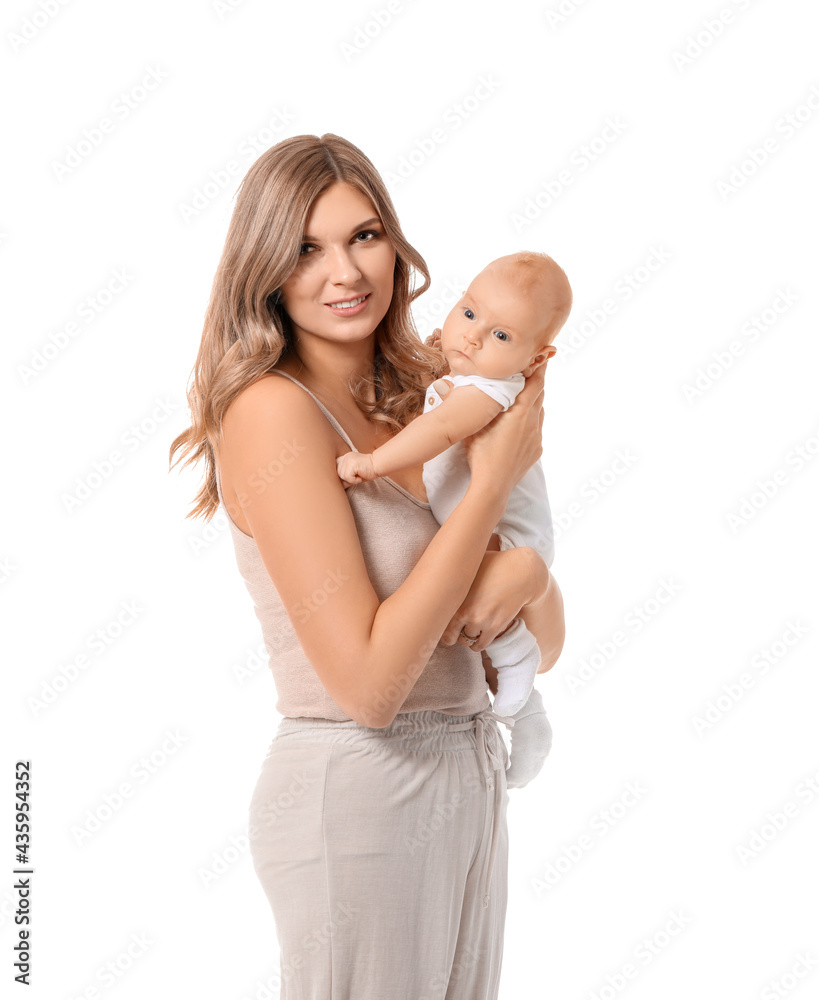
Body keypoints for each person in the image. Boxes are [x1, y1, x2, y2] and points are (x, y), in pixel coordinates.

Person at [168, 133, 565, 999]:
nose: (344, 272)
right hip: (360, 789)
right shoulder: (274, 413)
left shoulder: (427, 396)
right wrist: (493, 482)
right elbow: (370, 687)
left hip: (468, 769)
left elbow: (544, 640)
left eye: (365, 235)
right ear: (264, 267)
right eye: (307, 248)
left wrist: (527, 576)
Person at [336, 250, 572, 718]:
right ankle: (527, 722)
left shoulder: (493, 390)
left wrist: (374, 462)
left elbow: (439, 431)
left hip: (509, 539)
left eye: (500, 335)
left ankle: (516, 657)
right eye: (468, 312)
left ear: (537, 358)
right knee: (462, 606)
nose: (472, 337)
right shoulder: (469, 377)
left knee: (465, 593)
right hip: (495, 534)